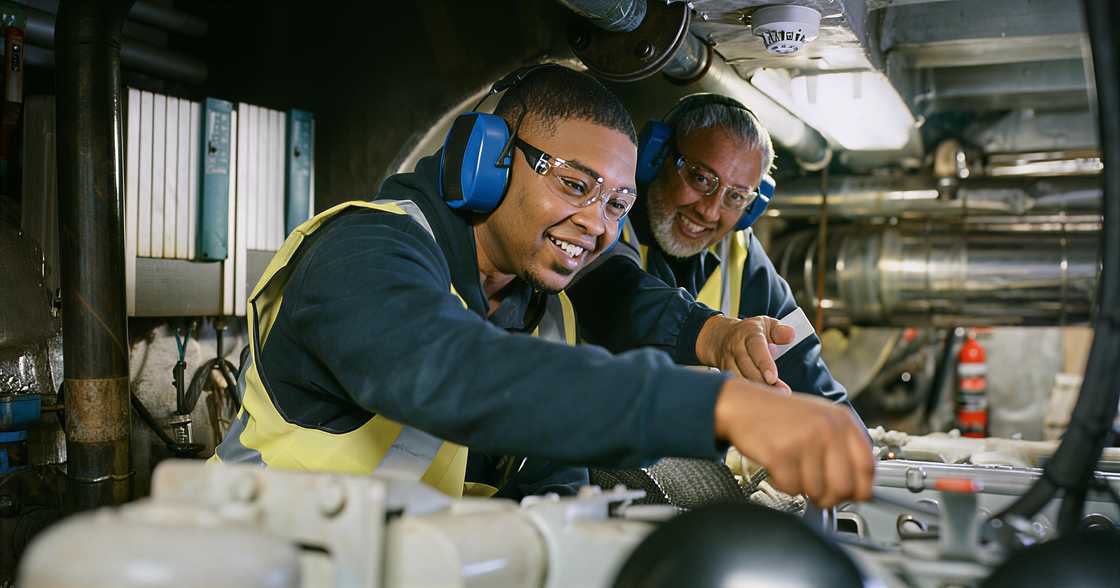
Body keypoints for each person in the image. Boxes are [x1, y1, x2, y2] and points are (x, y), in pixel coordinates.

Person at [212, 66, 872, 508]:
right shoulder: (363, 254)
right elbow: (456, 373)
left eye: (617, 203)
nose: (598, 225)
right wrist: (720, 406)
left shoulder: (546, 308)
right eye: (575, 185)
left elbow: (547, 484)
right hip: (253, 563)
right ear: (489, 161)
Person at [570, 94, 854, 411]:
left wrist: (851, 438)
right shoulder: (605, 218)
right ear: (656, 157)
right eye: (701, 178)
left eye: (735, 197)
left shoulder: (741, 252)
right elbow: (617, 298)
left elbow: (807, 371)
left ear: (751, 208)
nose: (710, 210)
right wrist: (714, 335)